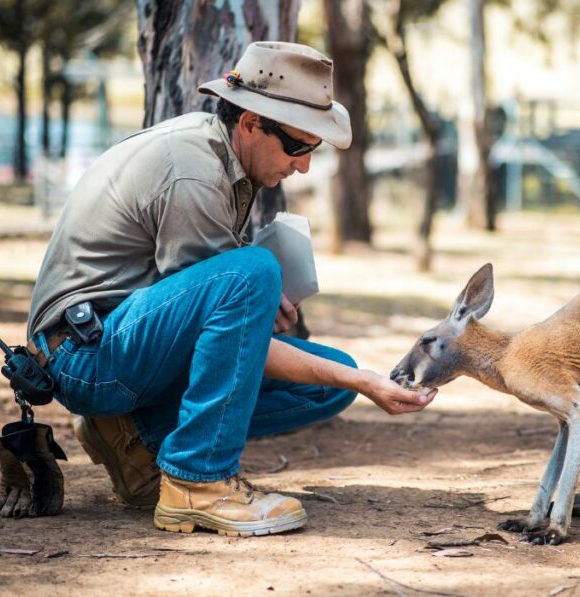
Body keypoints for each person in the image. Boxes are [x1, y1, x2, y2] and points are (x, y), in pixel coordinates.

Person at [24, 42, 436, 537]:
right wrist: (366, 382)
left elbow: (212, 332)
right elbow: (231, 323)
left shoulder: (225, 158)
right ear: (250, 123)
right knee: (258, 275)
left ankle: (140, 437)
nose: (303, 166)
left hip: (117, 342)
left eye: (313, 149)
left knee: (329, 378)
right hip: (84, 358)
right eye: (298, 146)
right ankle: (196, 480)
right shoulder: (194, 173)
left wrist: (261, 317)